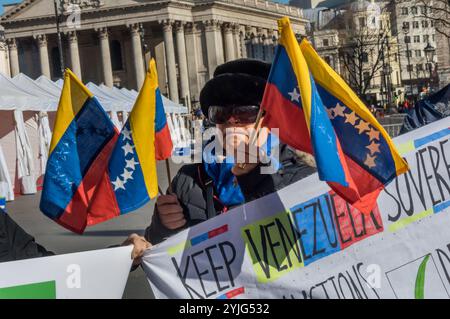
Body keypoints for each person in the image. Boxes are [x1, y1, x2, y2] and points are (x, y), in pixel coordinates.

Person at [126, 59, 317, 261]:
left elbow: (303, 254)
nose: (232, 122)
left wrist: (255, 178)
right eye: (221, 113)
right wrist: (159, 230)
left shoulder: (304, 176)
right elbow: (161, 255)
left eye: (246, 112)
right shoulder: (188, 179)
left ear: (270, 118)